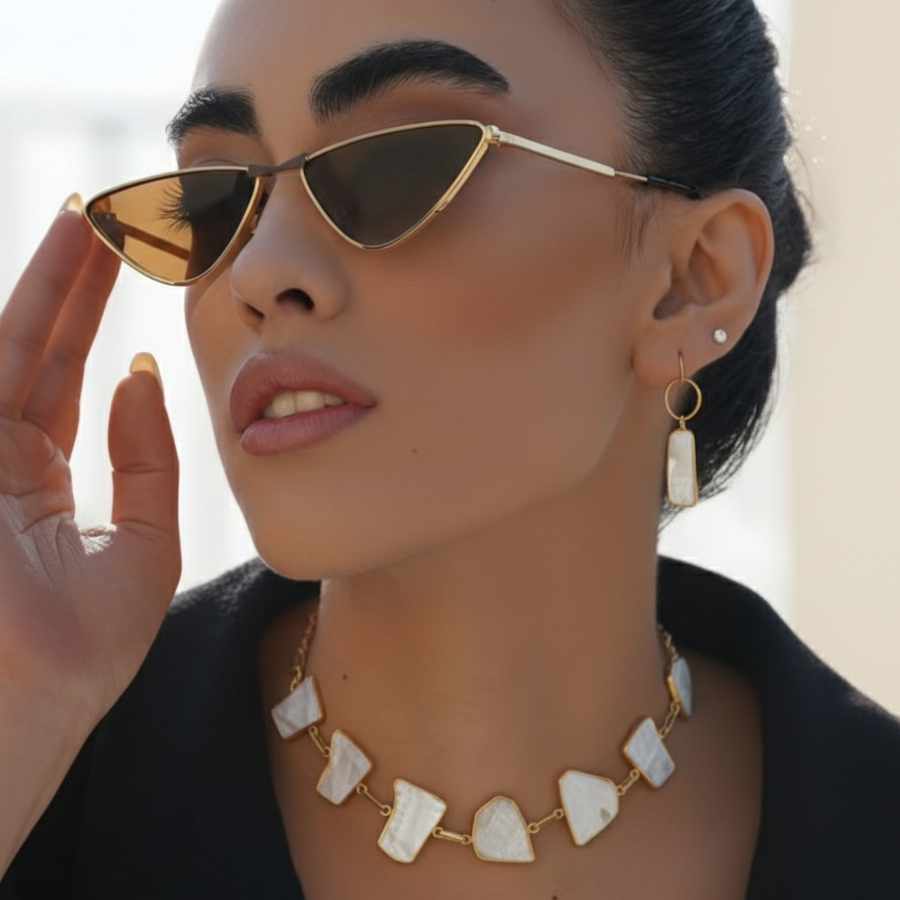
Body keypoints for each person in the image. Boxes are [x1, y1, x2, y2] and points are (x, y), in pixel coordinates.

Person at [1, 0, 898, 897]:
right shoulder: (47, 776)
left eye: (398, 164)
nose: (259, 269)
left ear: (692, 282)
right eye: (217, 194)